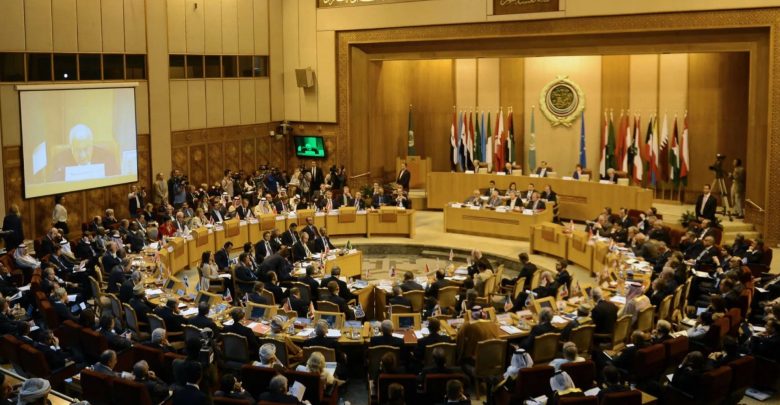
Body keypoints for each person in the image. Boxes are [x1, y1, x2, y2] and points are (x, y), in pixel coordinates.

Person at [50, 124, 119, 181]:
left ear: (92, 145)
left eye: (86, 149)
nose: (83, 156)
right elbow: (54, 187)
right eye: (77, 150)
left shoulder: (107, 158)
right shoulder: (60, 161)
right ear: (71, 147)